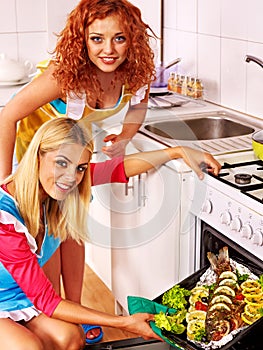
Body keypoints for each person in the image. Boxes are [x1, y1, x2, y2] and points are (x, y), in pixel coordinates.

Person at [0, 0, 221, 342]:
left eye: (119, 38)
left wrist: (136, 139)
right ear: (82, 40)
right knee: (38, 251)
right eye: (97, 39)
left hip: (70, 155)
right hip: (37, 152)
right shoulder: (65, 75)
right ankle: (42, 310)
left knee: (68, 227)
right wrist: (4, 181)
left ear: (132, 39)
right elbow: (7, 116)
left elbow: (131, 128)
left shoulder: (134, 74)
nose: (108, 49)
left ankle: (70, 309)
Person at [0, 117, 220, 349]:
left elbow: (118, 169)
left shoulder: (57, 189)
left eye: (80, 168)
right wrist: (125, 322)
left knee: (71, 338)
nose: (71, 177)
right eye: (61, 163)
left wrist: (178, 151)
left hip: (22, 299)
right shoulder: (5, 220)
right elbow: (47, 300)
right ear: (37, 157)